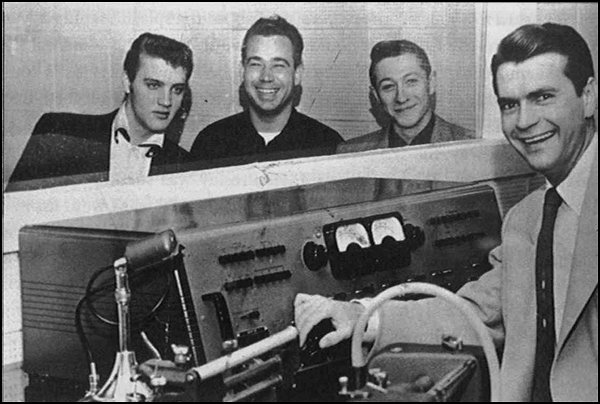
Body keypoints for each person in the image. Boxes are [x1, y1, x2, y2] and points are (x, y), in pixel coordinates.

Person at [295, 22, 597, 402]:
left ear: (588, 96)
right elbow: (476, 313)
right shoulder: (528, 217)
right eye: (509, 104)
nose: (523, 121)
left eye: (542, 97)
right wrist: (364, 316)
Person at [7, 32, 196, 190]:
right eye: (153, 85)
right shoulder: (58, 132)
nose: (166, 101)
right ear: (127, 82)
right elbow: (13, 220)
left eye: (177, 89)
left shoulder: (186, 167)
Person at [190, 15, 343, 168]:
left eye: (278, 65)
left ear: (297, 74)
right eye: (256, 64)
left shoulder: (327, 145)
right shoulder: (210, 142)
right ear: (242, 71)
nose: (266, 77)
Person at [338, 40, 475, 196]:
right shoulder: (349, 155)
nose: (401, 97)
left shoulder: (472, 147)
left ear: (431, 83)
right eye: (388, 86)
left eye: (411, 81)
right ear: (376, 96)